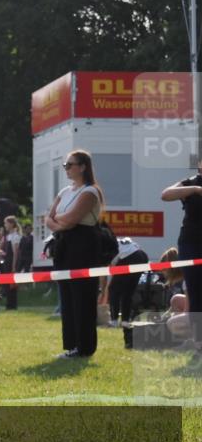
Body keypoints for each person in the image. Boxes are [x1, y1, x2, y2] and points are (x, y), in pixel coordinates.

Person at [45, 149, 104, 359]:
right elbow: (49, 218)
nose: (66, 169)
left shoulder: (90, 191)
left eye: (70, 165)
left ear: (83, 167)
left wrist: (60, 219)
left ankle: (85, 347)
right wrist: (61, 222)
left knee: (82, 297)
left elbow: (71, 219)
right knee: (67, 296)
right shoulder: (64, 192)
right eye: (65, 165)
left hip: (83, 246)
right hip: (64, 245)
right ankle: (72, 346)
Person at [161, 158, 202, 360]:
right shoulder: (190, 183)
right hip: (191, 245)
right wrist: (194, 190)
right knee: (195, 294)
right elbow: (166, 194)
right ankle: (198, 346)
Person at [104, 238, 149, 349]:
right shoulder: (120, 241)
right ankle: (125, 319)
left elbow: (109, 270)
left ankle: (114, 320)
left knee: (113, 289)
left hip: (129, 257)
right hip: (142, 256)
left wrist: (106, 288)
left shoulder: (106, 247)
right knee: (127, 292)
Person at [2, 216, 22, 310]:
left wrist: (14, 266)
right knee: (7, 284)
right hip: (7, 262)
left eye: (6, 223)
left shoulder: (15, 236)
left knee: (12, 284)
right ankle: (9, 303)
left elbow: (15, 253)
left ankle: (12, 304)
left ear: (11, 224)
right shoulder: (7, 236)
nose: (5, 225)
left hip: (11, 262)